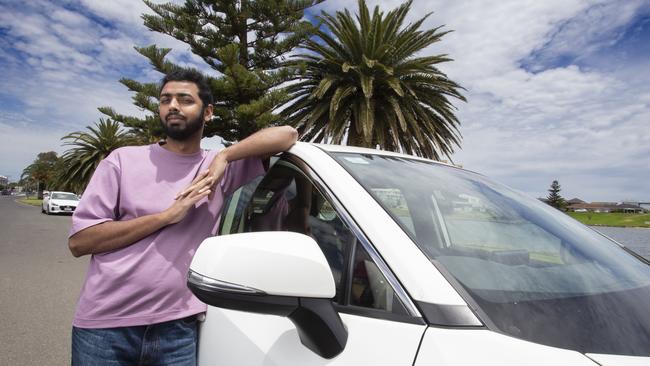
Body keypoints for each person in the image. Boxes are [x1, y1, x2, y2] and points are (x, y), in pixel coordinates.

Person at [68, 69, 298, 365]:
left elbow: (287, 134)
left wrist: (224, 157)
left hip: (178, 329)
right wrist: (166, 216)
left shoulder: (218, 169)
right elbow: (80, 242)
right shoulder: (122, 160)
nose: (172, 105)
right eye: (165, 100)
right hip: (105, 326)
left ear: (208, 112)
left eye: (184, 99)